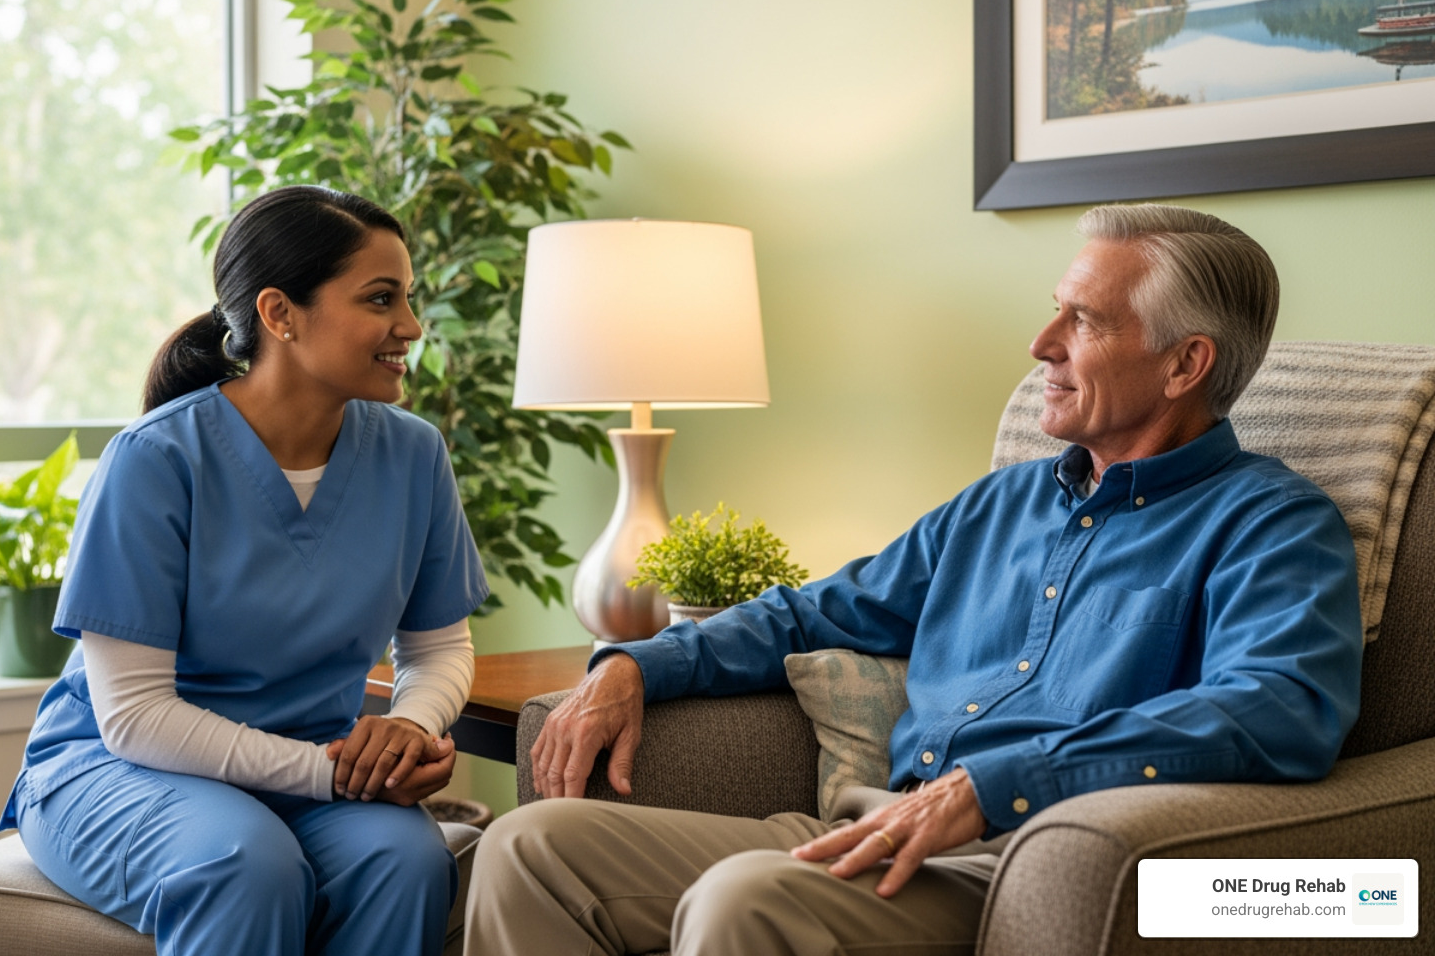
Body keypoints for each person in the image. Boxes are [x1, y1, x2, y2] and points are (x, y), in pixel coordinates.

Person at [463, 203, 1364, 956]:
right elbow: (812, 614)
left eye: (1084, 321)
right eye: (1056, 309)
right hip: (871, 825)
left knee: (749, 900)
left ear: (1185, 364)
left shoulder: (1269, 525)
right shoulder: (998, 507)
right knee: (533, 843)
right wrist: (636, 663)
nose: (1041, 342)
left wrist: (1001, 784)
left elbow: (1279, 707)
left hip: (1028, 860)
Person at [0, 185, 489, 956]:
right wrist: (328, 775)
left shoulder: (413, 453)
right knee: (245, 864)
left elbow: (437, 648)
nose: (411, 326)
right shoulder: (155, 461)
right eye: (381, 299)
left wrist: (407, 729)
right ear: (279, 313)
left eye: (409, 298)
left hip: (309, 769)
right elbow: (133, 715)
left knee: (408, 860)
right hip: (120, 766)